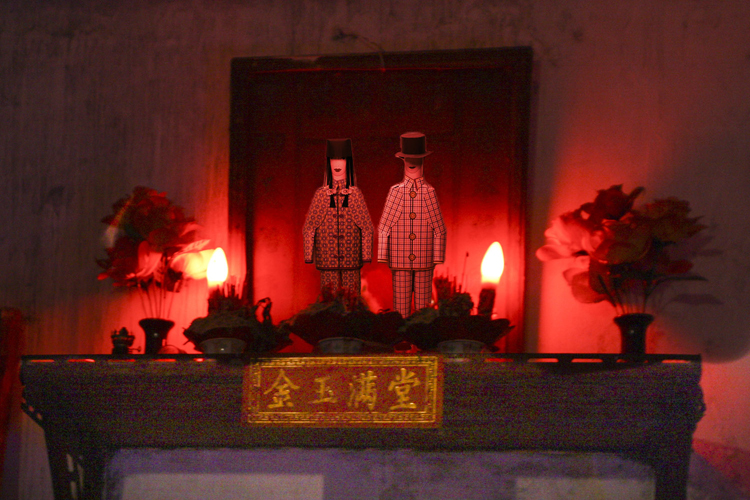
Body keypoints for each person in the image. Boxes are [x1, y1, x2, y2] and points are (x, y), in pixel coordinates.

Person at [377, 132, 446, 317]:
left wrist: (437, 256)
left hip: (424, 259)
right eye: (409, 158)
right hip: (400, 259)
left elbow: (439, 227)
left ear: (423, 161)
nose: (412, 162)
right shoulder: (396, 192)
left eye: (416, 158)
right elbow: (385, 225)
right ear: (403, 160)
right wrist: (383, 254)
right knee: (401, 307)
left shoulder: (429, 192)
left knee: (423, 308)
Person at [303, 138, 373, 296]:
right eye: (333, 160)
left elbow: (366, 226)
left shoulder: (355, 194)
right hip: (327, 257)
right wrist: (308, 254)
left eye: (341, 160)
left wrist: (366, 254)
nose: (337, 164)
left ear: (348, 163)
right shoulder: (321, 194)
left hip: (351, 257)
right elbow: (310, 226)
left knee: (352, 298)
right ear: (329, 162)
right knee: (329, 297)